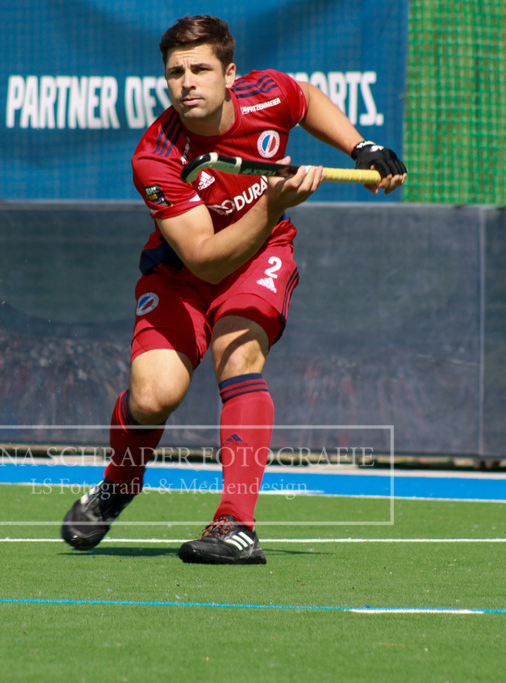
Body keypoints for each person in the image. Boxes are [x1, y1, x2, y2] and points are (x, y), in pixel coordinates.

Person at [61, 15, 406, 564]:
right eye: (175, 72)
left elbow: (307, 98)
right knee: (154, 397)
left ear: (229, 73)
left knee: (238, 353)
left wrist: (359, 146)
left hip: (262, 257)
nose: (187, 82)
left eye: (200, 69)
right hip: (181, 275)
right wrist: (272, 204)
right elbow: (203, 257)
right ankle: (120, 485)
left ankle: (235, 524)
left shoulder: (266, 93)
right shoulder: (155, 156)